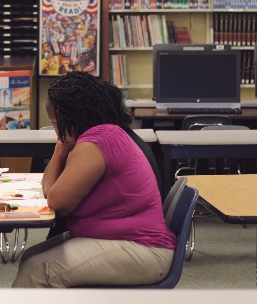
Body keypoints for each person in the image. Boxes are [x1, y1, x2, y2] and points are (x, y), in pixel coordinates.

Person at [12, 71, 175, 288]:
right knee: (30, 258)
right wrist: (61, 149)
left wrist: (60, 149)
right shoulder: (105, 134)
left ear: (69, 118)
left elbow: (57, 202)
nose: (56, 132)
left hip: (143, 249)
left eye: (55, 124)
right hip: (127, 243)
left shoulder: (97, 141)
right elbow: (49, 191)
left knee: (38, 271)